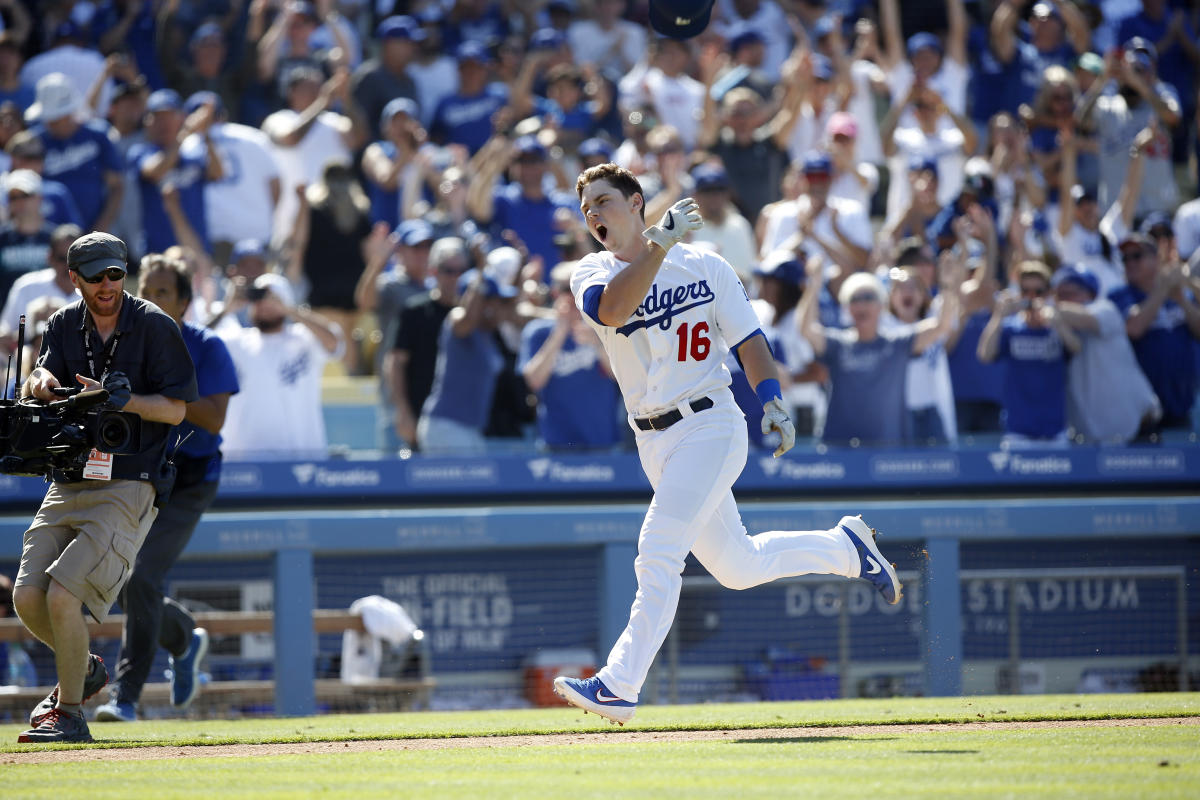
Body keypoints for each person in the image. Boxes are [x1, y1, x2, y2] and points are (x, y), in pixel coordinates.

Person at [551, 164, 902, 726]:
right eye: (587, 207)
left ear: (637, 201)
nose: (594, 214)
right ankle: (845, 549)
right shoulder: (590, 271)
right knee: (738, 565)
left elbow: (749, 339)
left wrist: (773, 400)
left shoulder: (707, 264)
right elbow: (613, 310)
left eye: (605, 201)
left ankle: (619, 683)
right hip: (652, 440)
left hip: (710, 425)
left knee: (658, 549)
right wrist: (658, 245)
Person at [12, 231, 196, 743]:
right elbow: (41, 371)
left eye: (116, 273)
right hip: (70, 476)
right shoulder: (63, 323)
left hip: (128, 480)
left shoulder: (155, 325)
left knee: (64, 594)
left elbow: (178, 410)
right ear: (74, 279)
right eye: (96, 276)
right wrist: (39, 383)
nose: (108, 284)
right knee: (28, 596)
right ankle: (86, 671)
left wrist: (126, 400)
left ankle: (69, 713)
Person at [94, 253, 239, 722]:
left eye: (162, 292)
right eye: (146, 290)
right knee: (118, 574)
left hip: (191, 480)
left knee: (139, 577)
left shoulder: (208, 345)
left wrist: (166, 394)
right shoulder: (126, 344)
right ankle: (182, 638)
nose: (150, 299)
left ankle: (126, 697)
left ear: (184, 301)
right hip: (138, 472)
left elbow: (214, 420)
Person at [218, 273, 342, 460]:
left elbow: (335, 342)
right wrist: (226, 309)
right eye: (259, 297)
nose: (264, 304)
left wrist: (290, 310)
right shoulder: (235, 341)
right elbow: (190, 346)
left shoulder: (304, 338)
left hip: (303, 457)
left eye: (271, 297)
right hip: (245, 461)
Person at [1050, 264, 1160, 443]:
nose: (1064, 300)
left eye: (1071, 293)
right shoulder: (1055, 326)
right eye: (1059, 295)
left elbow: (1085, 318)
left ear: (1090, 294)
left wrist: (1042, 306)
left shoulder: (1104, 309)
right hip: (1093, 440)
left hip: (1140, 430)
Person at [977, 260, 1081, 446]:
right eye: (1025, 291)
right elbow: (984, 354)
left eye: (1038, 292)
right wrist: (999, 316)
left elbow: (1076, 349)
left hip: (1054, 432)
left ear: (1049, 293)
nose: (1032, 298)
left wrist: (1058, 324)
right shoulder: (1010, 328)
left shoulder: (1057, 327)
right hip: (1018, 433)